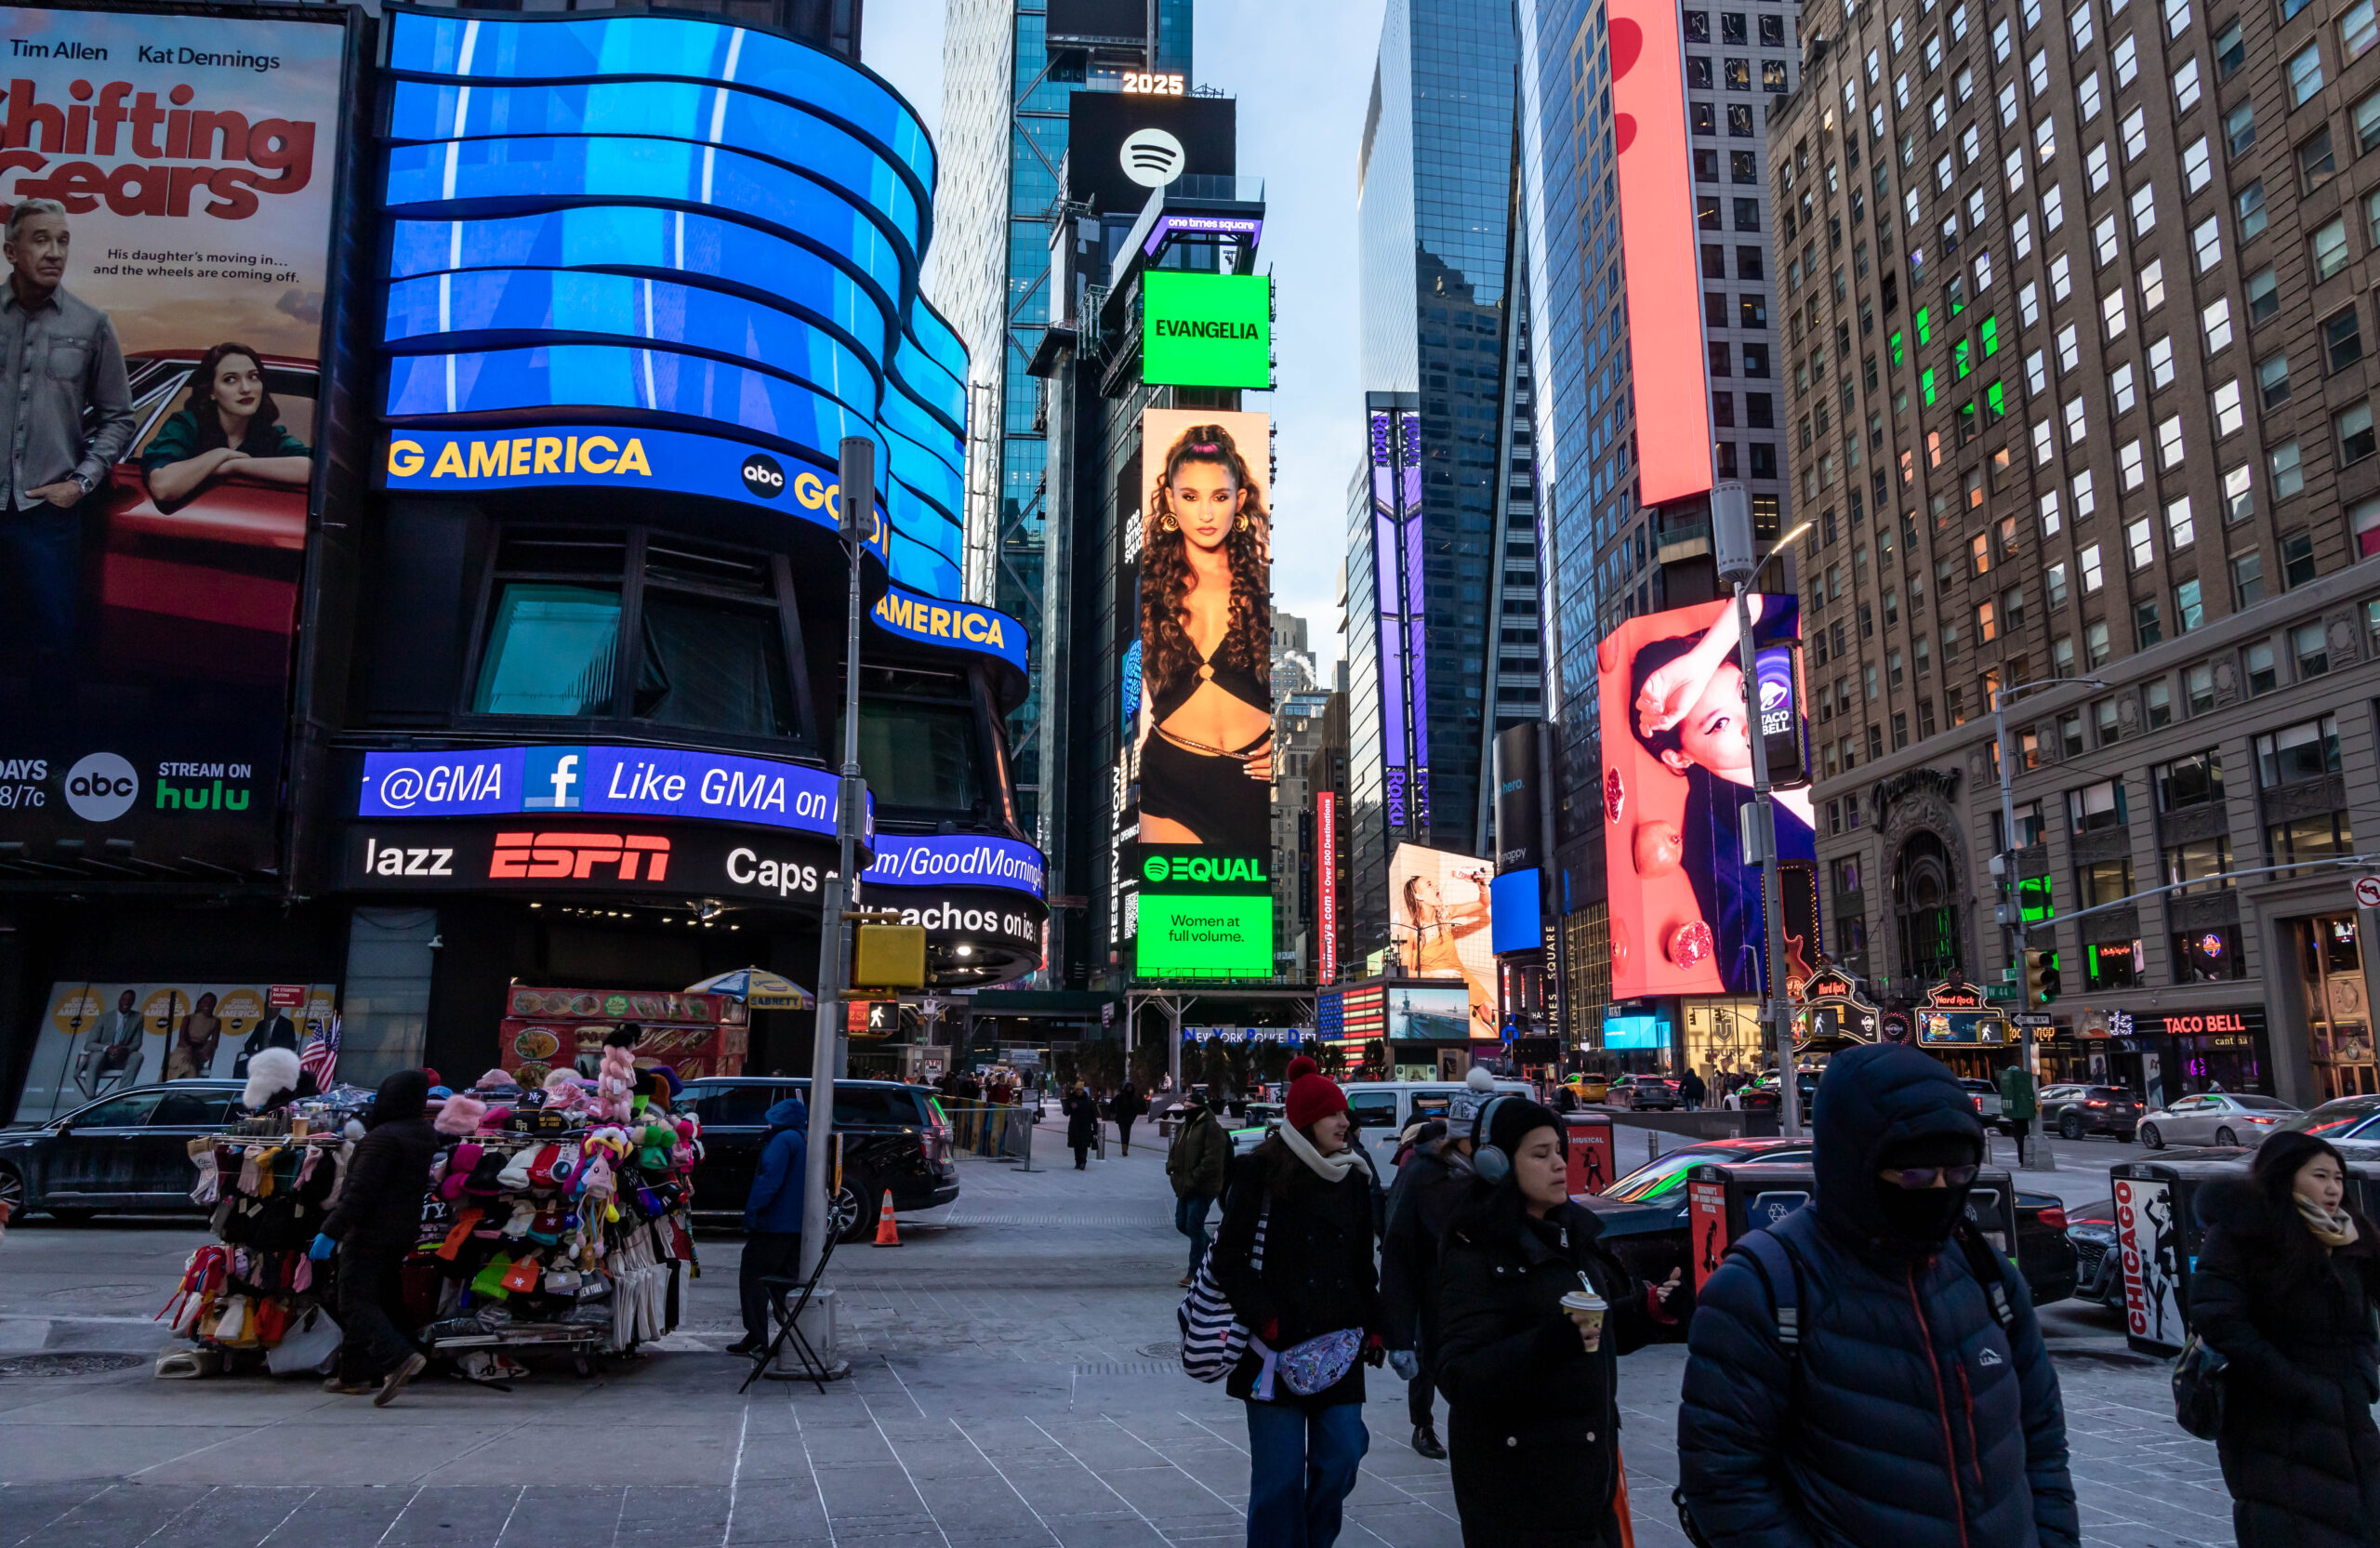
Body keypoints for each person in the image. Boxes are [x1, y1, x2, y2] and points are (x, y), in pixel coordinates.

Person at [1676, 1043, 2076, 1547]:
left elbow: (2042, 1440)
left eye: (1957, 1175)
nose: (1938, 1190)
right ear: (1854, 1168)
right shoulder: (1764, 1285)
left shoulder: (1985, 1273)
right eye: (1912, 1176)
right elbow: (1724, 1480)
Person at [1435, 1093, 1681, 1545]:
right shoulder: (1475, 1253)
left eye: (1560, 1152)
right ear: (1498, 1165)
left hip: (1588, 1484)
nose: (1558, 1165)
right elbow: (1459, 1375)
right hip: (1520, 1497)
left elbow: (1593, 1332)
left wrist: (1651, 1310)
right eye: (1540, 1154)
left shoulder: (1574, 1236)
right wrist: (1549, 1342)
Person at [1210, 1055, 1382, 1548]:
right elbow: (1229, 1258)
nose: (1345, 1123)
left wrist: (1374, 1327)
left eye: (1345, 1114)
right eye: (1334, 1115)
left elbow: (1361, 1263)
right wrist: (1265, 1320)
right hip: (1274, 1351)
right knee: (1279, 1479)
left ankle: (1313, 1540)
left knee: (1344, 1455)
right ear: (1306, 1120)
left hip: (1340, 1346)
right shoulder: (1258, 1173)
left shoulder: (1353, 1176)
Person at [2190, 1130, 2380, 1546]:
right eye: (2319, 1176)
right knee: (2291, 1526)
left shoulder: (2349, 1237)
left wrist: (2363, 1374)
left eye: (2338, 1177)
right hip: (2272, 1418)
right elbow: (2218, 1318)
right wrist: (2298, 1387)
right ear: (2286, 1175)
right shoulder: (2245, 1233)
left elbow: (2363, 1319)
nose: (2332, 1188)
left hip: (2347, 1412)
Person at [1629, 602, 1818, 988]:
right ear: (1678, 756)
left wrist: (1702, 661)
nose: (1753, 721)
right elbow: (1756, 982)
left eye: (1746, 693)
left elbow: (1771, 595)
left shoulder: (1786, 716)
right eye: (1719, 724)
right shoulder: (1715, 844)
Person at [0, 199, 134, 686]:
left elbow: (119, 418)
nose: (55, 252)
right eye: (41, 240)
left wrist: (79, 483)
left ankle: (48, 759)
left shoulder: (91, 324)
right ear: (11, 251)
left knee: (51, 648)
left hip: (47, 518)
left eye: (62, 241)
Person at [1136, 422, 1274, 852]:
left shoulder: (1262, 585)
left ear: (1241, 499)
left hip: (1255, 779)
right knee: (1174, 917)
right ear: (1172, 501)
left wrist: (1282, 747)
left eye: (1219, 496)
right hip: (1171, 780)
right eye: (1191, 497)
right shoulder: (1146, 587)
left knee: (1250, 918)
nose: (1207, 514)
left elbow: (1284, 684)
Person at [1379, 1066, 1494, 1461]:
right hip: (1433, 1297)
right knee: (1428, 1364)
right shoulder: (1423, 1174)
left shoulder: (1498, 1177)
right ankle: (1423, 1424)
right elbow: (1396, 1251)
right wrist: (1397, 1337)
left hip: (1484, 1306)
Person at [311, 1070, 437, 1406]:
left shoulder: (382, 1138)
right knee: (375, 1296)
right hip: (403, 1229)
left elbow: (359, 1194)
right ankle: (353, 1375)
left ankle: (399, 1358)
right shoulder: (421, 1132)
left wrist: (328, 1232)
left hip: (370, 1230)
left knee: (352, 1299)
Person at [139, 341, 311, 509]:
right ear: (211, 391)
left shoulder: (270, 435)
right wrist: (221, 454)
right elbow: (163, 486)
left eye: (253, 377)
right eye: (230, 379)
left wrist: (234, 466)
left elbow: (312, 469)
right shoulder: (186, 425)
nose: (246, 388)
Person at [728, 1093, 809, 1357]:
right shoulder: (801, 1139)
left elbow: (768, 1182)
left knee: (754, 1278)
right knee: (782, 1282)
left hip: (774, 1224)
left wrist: (753, 1213)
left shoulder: (782, 1141)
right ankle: (788, 1337)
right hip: (795, 1226)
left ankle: (757, 1335)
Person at [1167, 1090, 1231, 1287]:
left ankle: (1194, 1272)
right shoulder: (1185, 1127)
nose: (1186, 1111)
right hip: (1184, 1185)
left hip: (1203, 1187)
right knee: (1182, 1223)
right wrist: (1171, 1168)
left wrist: (1194, 1177)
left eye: (1190, 1108)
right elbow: (1175, 1150)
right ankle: (1215, 1253)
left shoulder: (1211, 1128)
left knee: (1194, 1225)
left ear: (1200, 1108)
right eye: (1184, 1107)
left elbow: (1212, 1160)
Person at [73, 989, 145, 1101]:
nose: (127, 1003)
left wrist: (124, 1049)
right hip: (103, 1059)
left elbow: (137, 1043)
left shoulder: (138, 1018)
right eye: (124, 999)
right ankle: (91, 1097)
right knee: (97, 1055)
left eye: (130, 1001)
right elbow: (89, 1044)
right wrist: (107, 1048)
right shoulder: (104, 1018)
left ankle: (122, 1096)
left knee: (137, 1056)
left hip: (121, 1058)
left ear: (133, 1002)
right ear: (119, 1000)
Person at [164, 992, 222, 1081]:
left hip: (200, 1053)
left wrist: (202, 1052)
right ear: (200, 1003)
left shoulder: (216, 1021)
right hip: (184, 1049)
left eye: (211, 1003)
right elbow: (181, 1040)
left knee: (191, 1064)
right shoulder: (188, 1018)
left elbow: (214, 1043)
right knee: (186, 1063)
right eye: (205, 1002)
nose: (208, 1005)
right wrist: (189, 1051)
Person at [1065, 1082, 1098, 1170]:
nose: (1079, 1092)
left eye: (1080, 1090)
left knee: (1084, 1145)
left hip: (1085, 1126)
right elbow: (1065, 1112)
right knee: (1076, 1145)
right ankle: (1078, 1162)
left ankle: (1083, 1162)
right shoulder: (1071, 1099)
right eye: (1077, 1090)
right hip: (1074, 1126)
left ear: (1083, 1091)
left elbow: (1093, 1115)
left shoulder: (1088, 1101)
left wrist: (1095, 1127)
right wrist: (1070, 1107)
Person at [1113, 1079, 1148, 1157]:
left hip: (1129, 1119)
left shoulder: (1133, 1098)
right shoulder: (1121, 1097)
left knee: (1127, 1134)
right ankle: (1124, 1149)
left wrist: (1133, 1117)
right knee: (1123, 1133)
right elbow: (1113, 1104)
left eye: (1130, 1088)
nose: (1129, 1089)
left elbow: (1137, 1109)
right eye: (1128, 1088)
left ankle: (1125, 1149)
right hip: (1122, 1119)